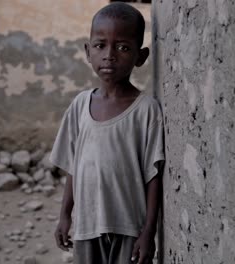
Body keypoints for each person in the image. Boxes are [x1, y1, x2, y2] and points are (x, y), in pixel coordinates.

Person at [50, 2, 164, 264]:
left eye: (123, 47)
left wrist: (149, 232)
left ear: (141, 56)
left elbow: (153, 177)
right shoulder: (80, 105)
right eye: (100, 45)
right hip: (88, 227)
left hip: (129, 230)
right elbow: (73, 165)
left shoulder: (146, 110)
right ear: (88, 52)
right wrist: (65, 215)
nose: (109, 55)